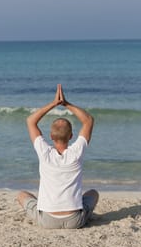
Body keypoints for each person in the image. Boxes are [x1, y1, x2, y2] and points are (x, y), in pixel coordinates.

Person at [17, 84, 99, 229]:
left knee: (22, 195)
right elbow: (88, 120)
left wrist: (54, 104)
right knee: (93, 194)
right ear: (71, 136)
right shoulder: (76, 152)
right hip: (75, 220)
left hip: (47, 220)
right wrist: (66, 104)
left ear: (51, 136)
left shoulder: (44, 152)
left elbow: (31, 121)